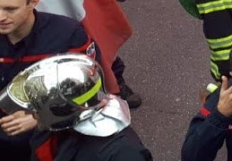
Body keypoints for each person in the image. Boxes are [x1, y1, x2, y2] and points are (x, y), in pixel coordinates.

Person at [0, 0, 100, 157]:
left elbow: (89, 91)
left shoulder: (67, 34)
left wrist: (39, 118)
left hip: (52, 137)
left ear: (34, 2)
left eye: (10, 9)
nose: (1, 17)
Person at [13, 53, 152, 160]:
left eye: (38, 107)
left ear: (63, 109)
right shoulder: (54, 127)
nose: (31, 113)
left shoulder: (123, 153)